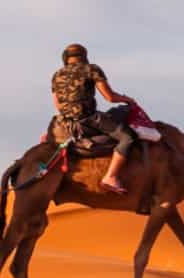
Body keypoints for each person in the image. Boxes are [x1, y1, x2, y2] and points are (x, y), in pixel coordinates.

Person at [50, 43, 140, 194]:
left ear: (66, 58)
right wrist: (128, 99)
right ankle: (110, 177)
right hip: (88, 119)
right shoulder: (91, 69)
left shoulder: (57, 75)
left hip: (64, 122)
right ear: (84, 56)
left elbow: (58, 105)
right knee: (128, 137)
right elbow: (110, 97)